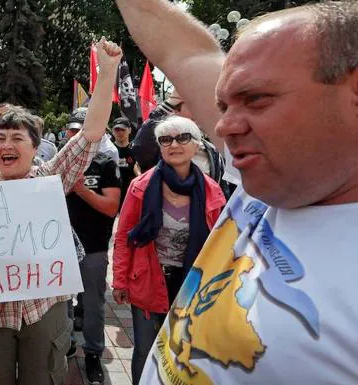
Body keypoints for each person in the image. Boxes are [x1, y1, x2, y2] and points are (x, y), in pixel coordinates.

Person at [117, 1, 358, 384]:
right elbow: (188, 52)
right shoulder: (276, 170)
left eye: (257, 99)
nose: (224, 127)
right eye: (222, 105)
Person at [0, 37, 121, 385]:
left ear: (35, 148)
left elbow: (90, 133)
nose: (7, 145)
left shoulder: (51, 179)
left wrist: (107, 74)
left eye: (17, 138)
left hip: (44, 310)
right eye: (0, 138)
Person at [112, 116, 225, 385]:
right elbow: (124, 237)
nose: (174, 144)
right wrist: (119, 280)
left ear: (196, 144)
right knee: (144, 348)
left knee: (182, 349)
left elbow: (220, 244)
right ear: (160, 147)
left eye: (183, 137)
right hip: (147, 278)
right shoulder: (141, 187)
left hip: (191, 283)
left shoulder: (212, 191)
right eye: (166, 139)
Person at [65, 117, 121, 384]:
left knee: (92, 305)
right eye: (73, 132)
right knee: (60, 303)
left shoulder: (106, 163)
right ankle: (63, 347)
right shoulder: (60, 165)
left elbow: (111, 207)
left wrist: (80, 189)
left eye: (82, 133)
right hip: (60, 248)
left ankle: (93, 354)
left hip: (94, 246)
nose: (77, 138)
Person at [111, 117, 140, 209]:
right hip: (112, 196)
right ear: (112, 131)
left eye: (123, 129)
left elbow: (139, 170)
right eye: (117, 129)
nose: (120, 133)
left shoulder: (136, 149)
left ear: (129, 130)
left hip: (131, 196)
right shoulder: (109, 150)